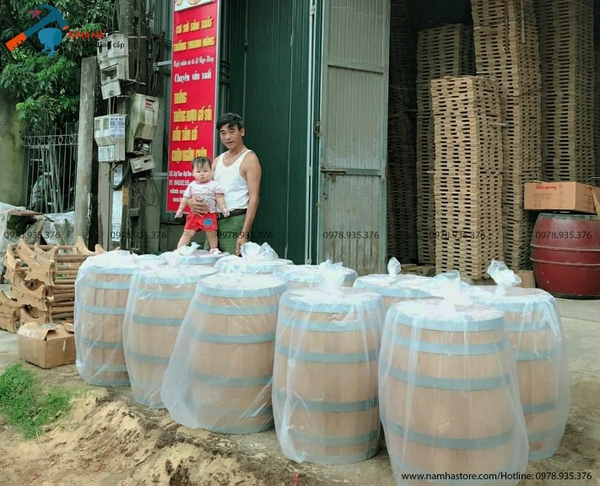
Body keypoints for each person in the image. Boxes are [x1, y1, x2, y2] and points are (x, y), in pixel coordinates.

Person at [187, 113, 262, 256]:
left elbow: (254, 199)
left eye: (231, 131)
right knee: (210, 265)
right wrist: (191, 201)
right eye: (223, 133)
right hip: (213, 222)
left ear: (242, 131)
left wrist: (244, 233)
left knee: (231, 269)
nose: (227, 137)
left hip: (235, 221)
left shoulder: (250, 159)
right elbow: (204, 187)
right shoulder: (218, 160)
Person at [175, 157, 229, 253]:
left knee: (211, 232)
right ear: (193, 172)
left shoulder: (214, 185)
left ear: (211, 171)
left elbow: (219, 198)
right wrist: (180, 210)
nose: (202, 174)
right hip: (194, 215)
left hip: (208, 215)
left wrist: (224, 209)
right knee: (187, 232)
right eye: (198, 171)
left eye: (205, 171)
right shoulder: (191, 185)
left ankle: (213, 249)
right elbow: (185, 198)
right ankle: (179, 249)